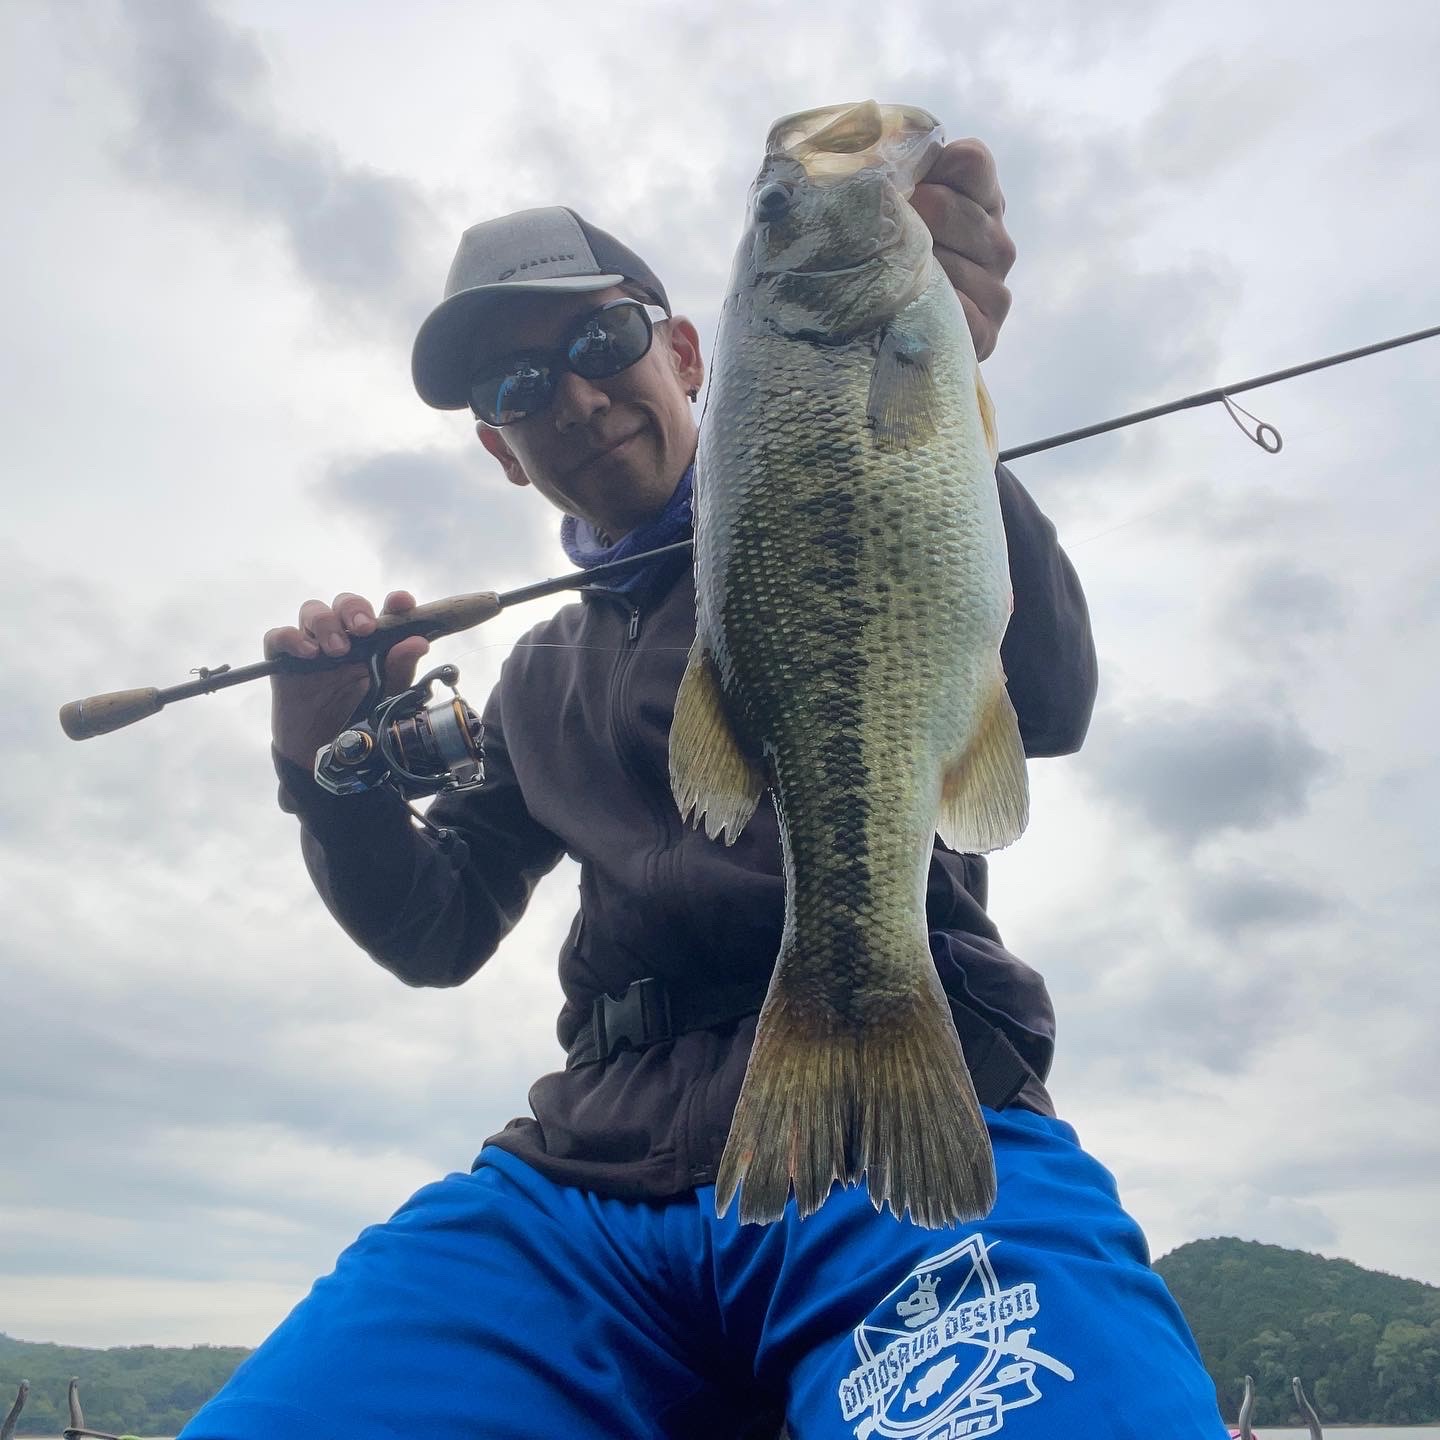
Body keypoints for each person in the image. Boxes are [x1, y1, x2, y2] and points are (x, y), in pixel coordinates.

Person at [180, 139, 1231, 1439]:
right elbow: (434, 929)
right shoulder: (534, 681)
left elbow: (1052, 699)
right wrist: (320, 775)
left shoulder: (859, 483)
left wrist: (931, 389)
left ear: (684, 353)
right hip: (587, 1186)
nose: (568, 396)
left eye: (598, 339)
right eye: (516, 386)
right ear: (504, 452)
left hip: (902, 1119)